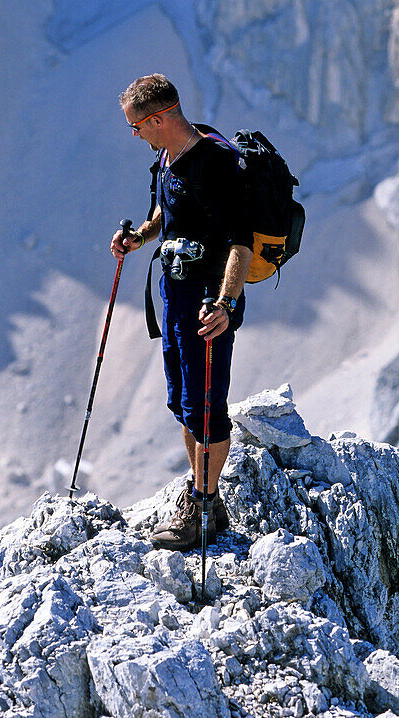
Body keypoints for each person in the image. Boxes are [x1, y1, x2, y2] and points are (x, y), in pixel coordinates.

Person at [111, 74, 253, 551]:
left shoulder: (215, 164)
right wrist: (140, 238)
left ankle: (205, 509)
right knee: (186, 405)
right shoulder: (166, 159)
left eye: (136, 126)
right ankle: (200, 491)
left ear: (159, 118)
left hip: (207, 303)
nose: (134, 135)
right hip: (176, 296)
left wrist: (227, 305)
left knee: (208, 408)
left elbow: (241, 243)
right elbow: (165, 215)